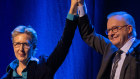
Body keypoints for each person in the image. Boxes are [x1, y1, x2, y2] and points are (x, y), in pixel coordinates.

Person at [1, 2, 78, 78]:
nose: (21, 49)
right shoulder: (7, 77)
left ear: (33, 47)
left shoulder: (44, 68)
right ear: (13, 46)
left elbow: (64, 44)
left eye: (26, 44)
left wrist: (72, 10)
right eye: (17, 44)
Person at [69, 0, 140, 79]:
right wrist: (81, 6)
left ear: (129, 29)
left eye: (115, 28)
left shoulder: (138, 51)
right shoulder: (110, 48)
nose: (110, 34)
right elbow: (89, 35)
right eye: (108, 30)